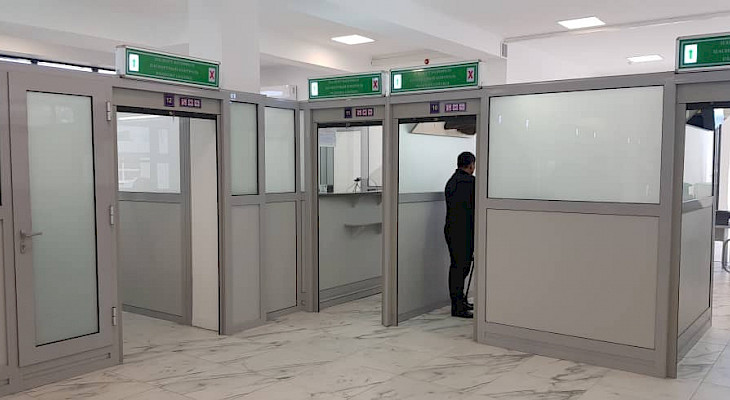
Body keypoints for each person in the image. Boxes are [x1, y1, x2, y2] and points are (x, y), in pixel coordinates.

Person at [444, 151, 476, 318]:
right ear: (471, 165)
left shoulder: (451, 181)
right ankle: (458, 307)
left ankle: (459, 301)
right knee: (461, 269)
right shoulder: (471, 183)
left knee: (457, 267)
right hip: (464, 232)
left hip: (452, 230)